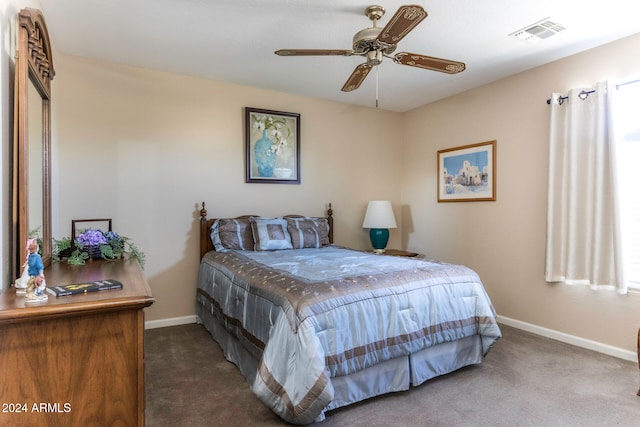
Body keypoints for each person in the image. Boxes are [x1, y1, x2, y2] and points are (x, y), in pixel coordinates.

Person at [24, 238, 48, 303]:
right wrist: (41, 273)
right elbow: (39, 266)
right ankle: (37, 293)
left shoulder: (30, 257)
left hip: (32, 274)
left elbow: (30, 265)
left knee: (32, 284)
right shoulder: (37, 257)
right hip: (37, 274)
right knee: (41, 284)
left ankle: (32, 293)